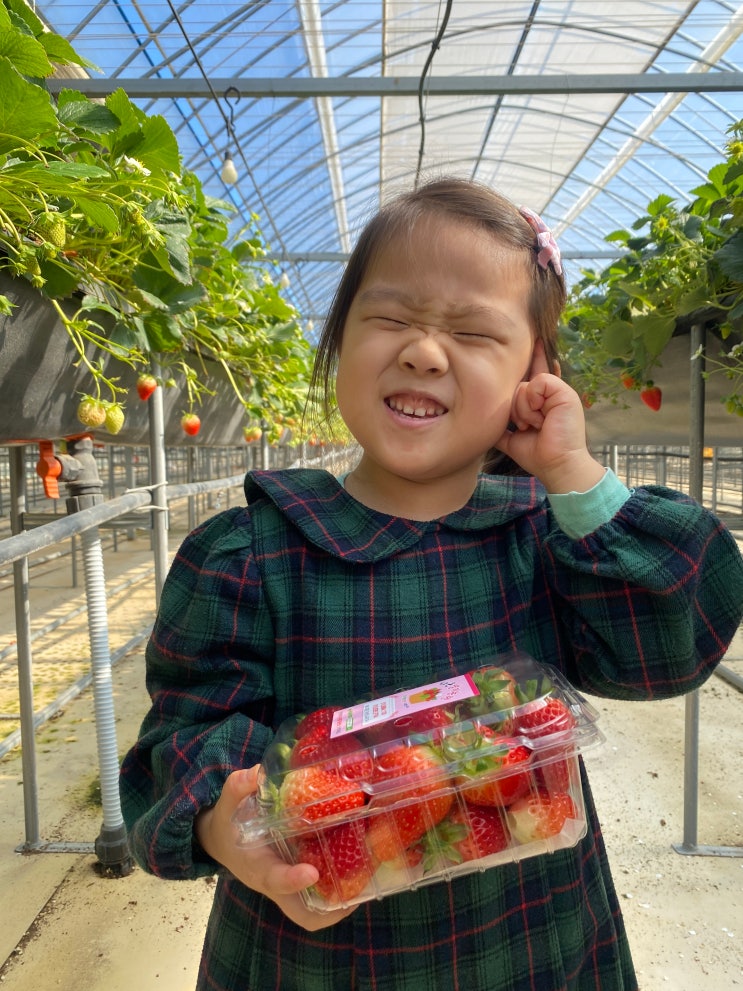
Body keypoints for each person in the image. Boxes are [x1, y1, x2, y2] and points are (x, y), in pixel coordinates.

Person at [120, 177, 743, 991]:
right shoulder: (249, 553)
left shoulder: (548, 539)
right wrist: (222, 819)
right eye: (390, 317)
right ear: (340, 339)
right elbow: (185, 732)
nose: (422, 349)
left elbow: (671, 646)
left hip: (531, 942)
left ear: (535, 378)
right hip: (314, 949)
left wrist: (574, 475)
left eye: (474, 332)